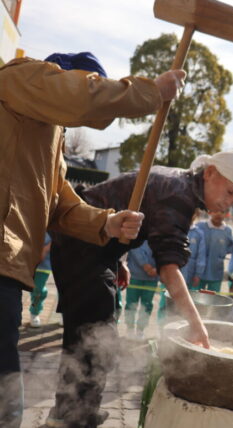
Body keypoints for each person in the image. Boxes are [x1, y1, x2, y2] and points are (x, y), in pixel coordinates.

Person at [0, 50, 185, 427]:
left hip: (7, 269)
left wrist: (108, 224)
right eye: (91, 84)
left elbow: (60, 206)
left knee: (5, 398)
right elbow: (85, 96)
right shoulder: (20, 77)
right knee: (4, 400)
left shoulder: (50, 137)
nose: (91, 102)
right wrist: (153, 92)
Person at [46, 151, 233, 428]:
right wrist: (197, 325)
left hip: (93, 248)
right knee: (91, 338)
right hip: (81, 246)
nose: (228, 204)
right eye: (229, 192)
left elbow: (126, 208)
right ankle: (71, 418)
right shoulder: (179, 194)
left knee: (95, 334)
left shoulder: (181, 183)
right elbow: (169, 268)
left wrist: (118, 258)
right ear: (210, 172)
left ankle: (79, 410)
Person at [124, 241, 159, 340]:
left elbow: (164, 251)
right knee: (131, 303)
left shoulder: (160, 234)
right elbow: (135, 248)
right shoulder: (140, 232)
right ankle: (129, 329)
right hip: (135, 276)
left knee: (147, 305)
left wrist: (158, 268)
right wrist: (145, 265)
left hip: (152, 278)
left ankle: (140, 330)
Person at [196, 210, 233, 292]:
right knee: (195, 295)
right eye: (216, 210)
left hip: (216, 271)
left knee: (213, 298)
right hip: (199, 272)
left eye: (222, 212)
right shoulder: (200, 226)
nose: (219, 214)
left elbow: (231, 247)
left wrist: (221, 254)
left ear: (226, 214)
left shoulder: (228, 231)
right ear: (210, 212)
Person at [29, 233, 53, 328]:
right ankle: (34, 311)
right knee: (38, 290)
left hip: (51, 258)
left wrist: (46, 248)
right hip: (35, 262)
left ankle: (65, 313)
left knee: (64, 289)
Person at [180, 211, 207, 291]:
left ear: (197, 214)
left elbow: (201, 256)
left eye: (192, 212)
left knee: (186, 295)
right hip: (173, 269)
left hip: (190, 272)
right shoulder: (174, 229)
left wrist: (198, 274)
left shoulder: (199, 234)